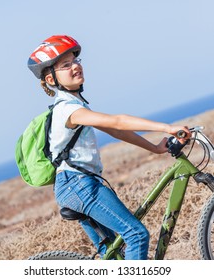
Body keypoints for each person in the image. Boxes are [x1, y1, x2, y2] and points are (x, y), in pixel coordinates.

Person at [27, 35, 191, 260]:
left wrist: (154, 148)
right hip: (78, 185)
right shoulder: (67, 109)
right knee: (136, 235)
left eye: (76, 60)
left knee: (115, 255)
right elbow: (118, 121)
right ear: (51, 79)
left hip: (77, 185)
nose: (75, 66)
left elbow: (116, 131)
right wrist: (166, 127)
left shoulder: (76, 106)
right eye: (66, 65)